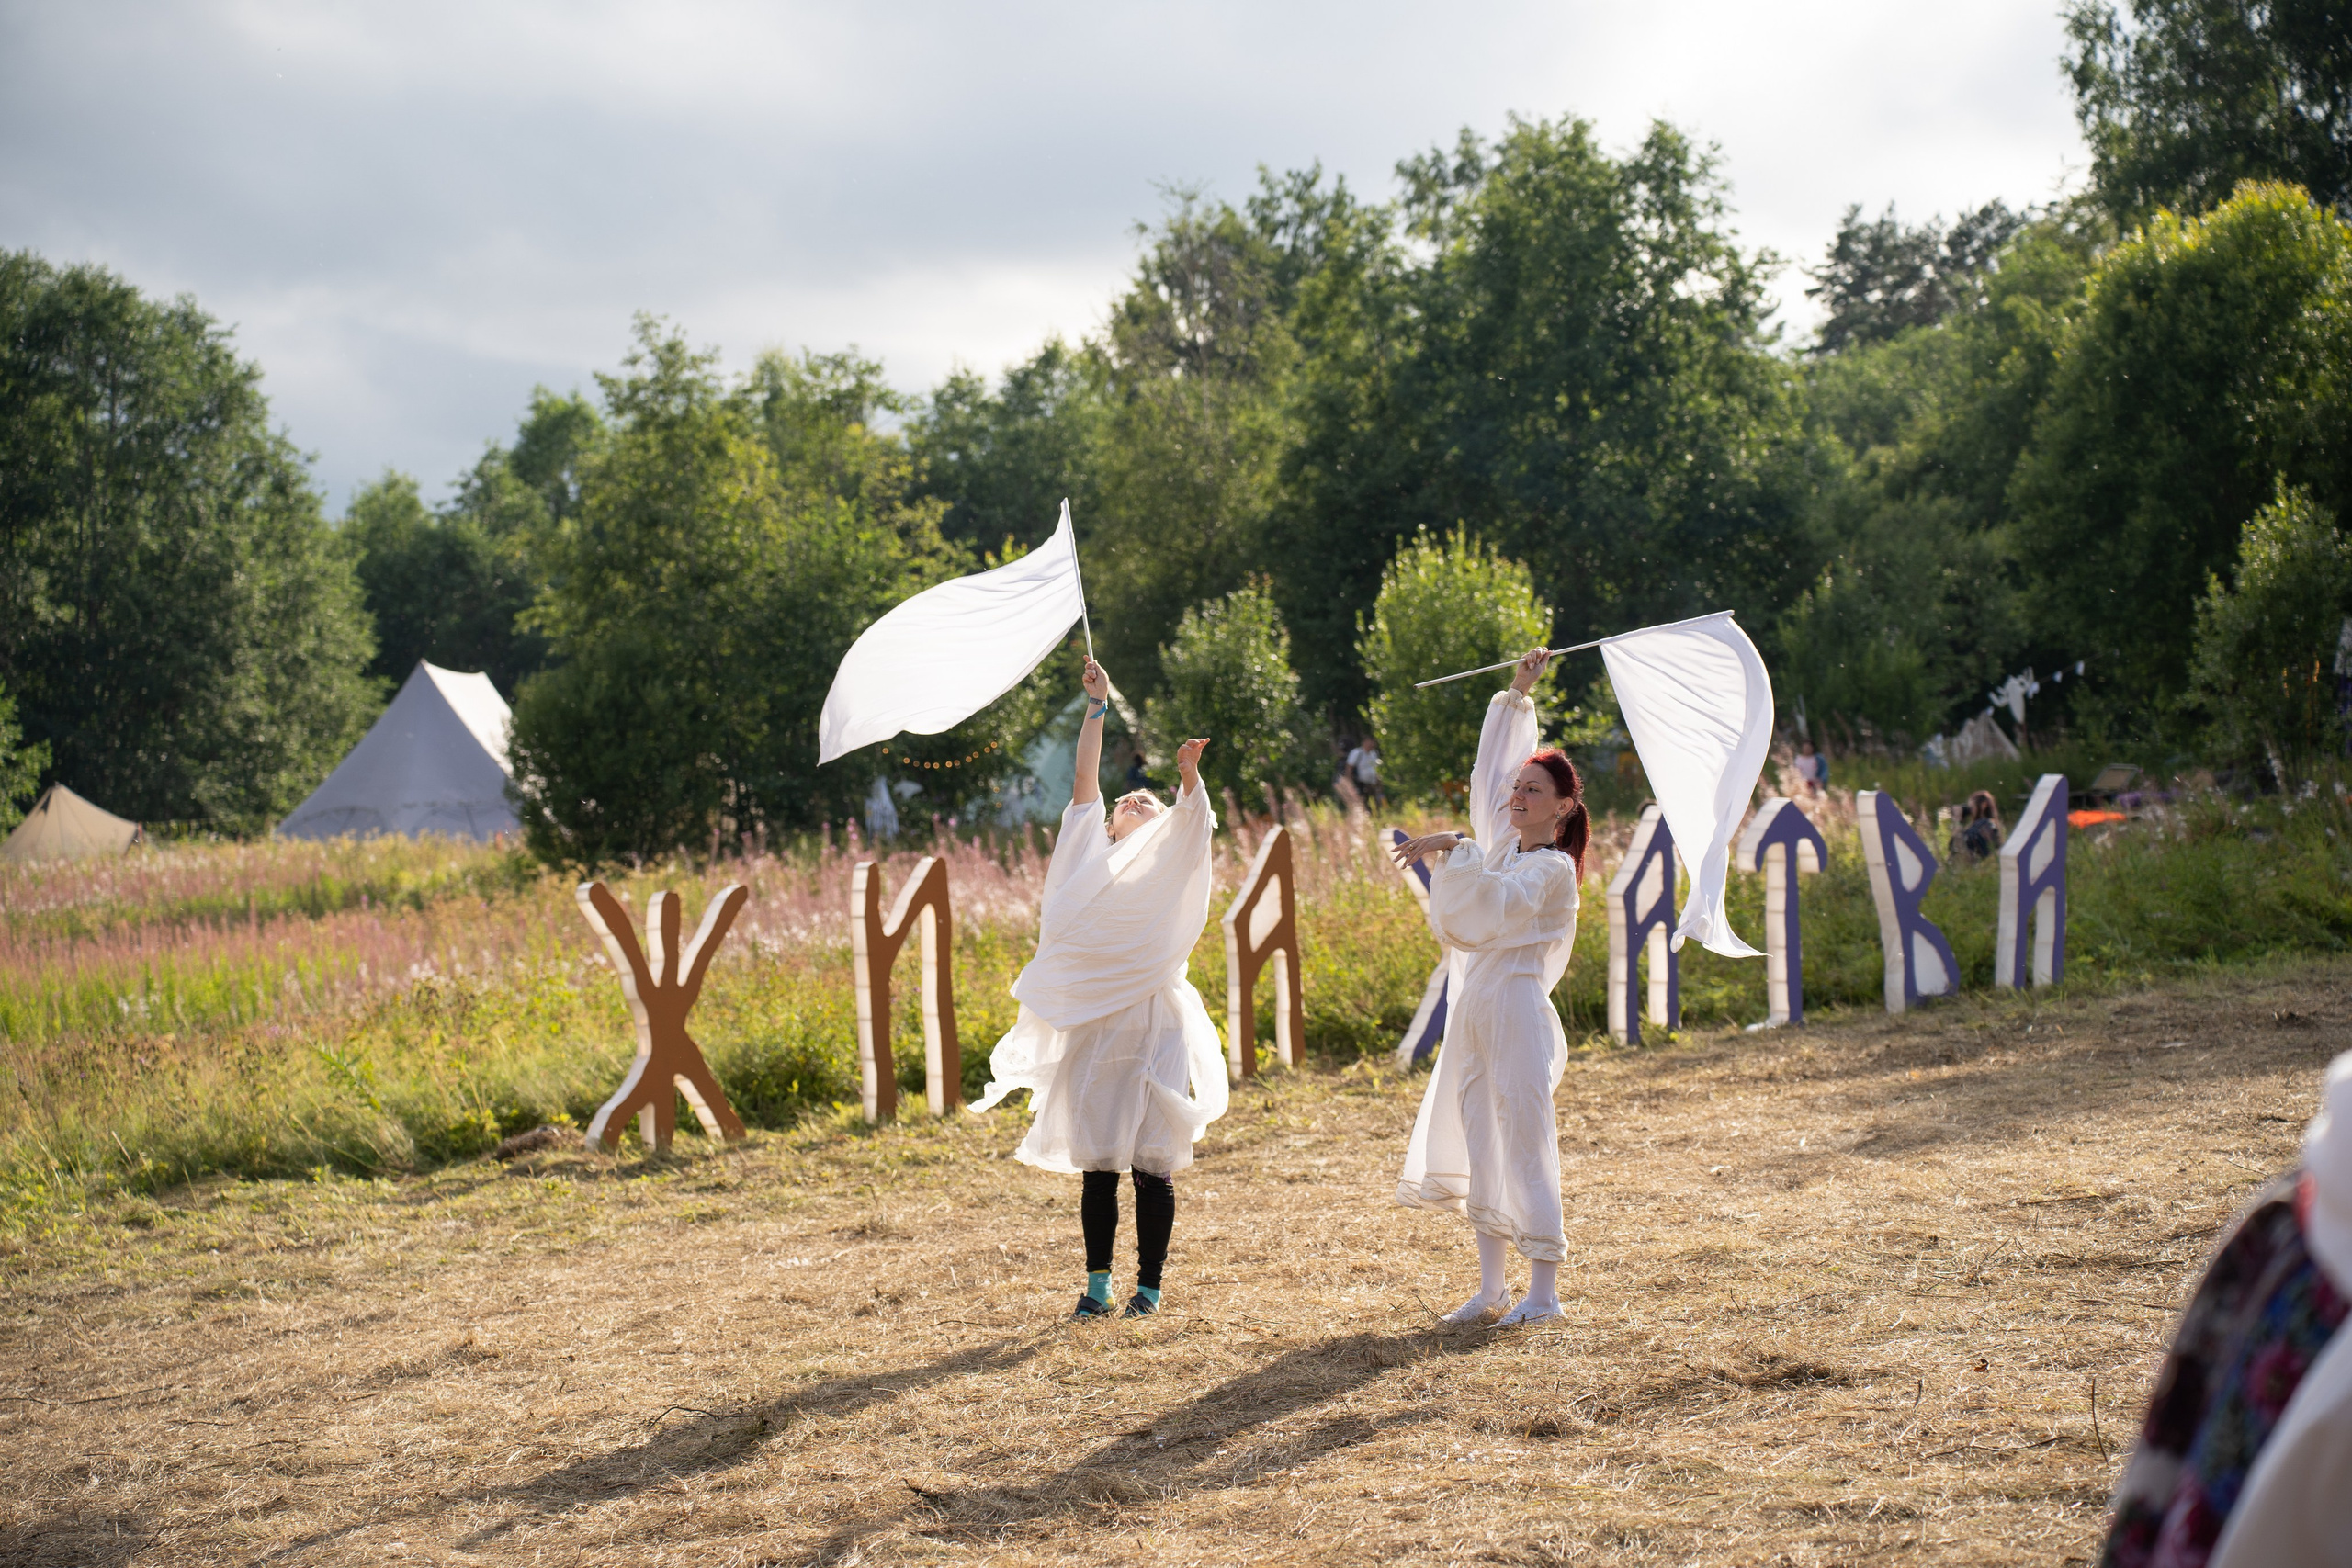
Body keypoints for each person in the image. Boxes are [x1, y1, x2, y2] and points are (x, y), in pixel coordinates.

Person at [971, 656, 1225, 1321]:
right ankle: (1097, 1286)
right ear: (1109, 825)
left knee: (1152, 1159)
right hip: (1099, 1022)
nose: (1135, 799)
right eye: (1125, 801)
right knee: (1101, 1161)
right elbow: (1086, 780)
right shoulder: (1087, 855)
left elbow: (1196, 824)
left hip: (1156, 1020)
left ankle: (1150, 1288)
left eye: (1150, 798)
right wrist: (1097, 707)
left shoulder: (1174, 856)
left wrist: (1189, 777)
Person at [1389, 647, 1589, 1326]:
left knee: (1526, 1138)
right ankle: (1490, 1287)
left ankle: (1544, 1292)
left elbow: (1496, 901)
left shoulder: (1552, 869)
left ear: (1561, 808)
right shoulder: (1506, 848)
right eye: (1519, 790)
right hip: (1477, 1007)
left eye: (1534, 791)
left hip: (1517, 1007)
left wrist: (1455, 844)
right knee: (1481, 1138)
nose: (1518, 796)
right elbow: (1493, 773)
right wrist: (1517, 692)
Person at [1952, 789, 2002, 863]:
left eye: (1972, 807)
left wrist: (1957, 820)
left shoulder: (1984, 824)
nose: (1970, 811)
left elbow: (1960, 844)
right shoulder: (1988, 824)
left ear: (1983, 805)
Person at [1344, 736, 1385, 806]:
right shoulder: (1357, 753)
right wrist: (1350, 783)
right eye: (1369, 742)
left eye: (1372, 743)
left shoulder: (1374, 753)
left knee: (1376, 802)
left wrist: (1379, 781)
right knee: (1363, 802)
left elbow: (1375, 769)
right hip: (1360, 784)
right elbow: (1349, 767)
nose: (1371, 745)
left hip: (1372, 783)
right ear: (1364, 743)